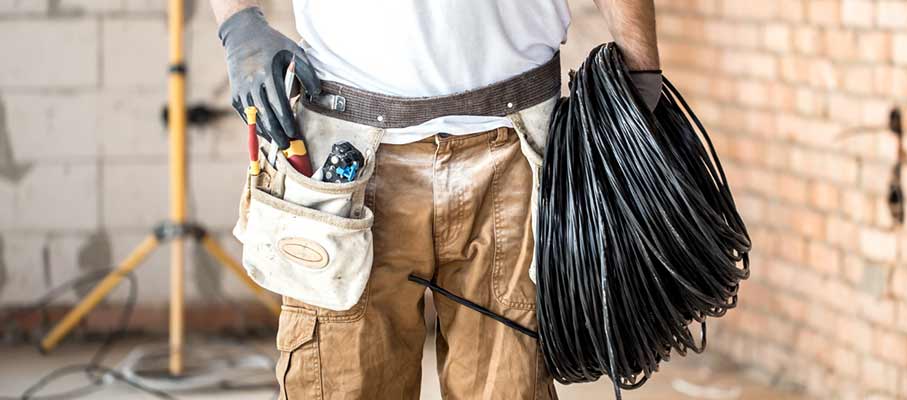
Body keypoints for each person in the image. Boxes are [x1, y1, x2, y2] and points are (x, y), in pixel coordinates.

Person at [211, 1, 661, 398]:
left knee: (511, 383)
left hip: (516, 155)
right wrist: (238, 24)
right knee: (342, 381)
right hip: (349, 160)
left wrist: (642, 74)